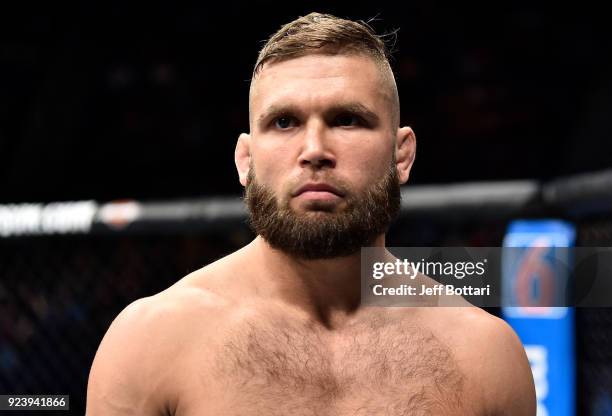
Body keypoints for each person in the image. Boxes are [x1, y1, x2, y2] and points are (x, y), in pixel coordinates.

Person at [86, 12, 536, 415]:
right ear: (246, 160)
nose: (315, 150)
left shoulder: (483, 354)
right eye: (284, 122)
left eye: (347, 120)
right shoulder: (149, 343)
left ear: (402, 155)